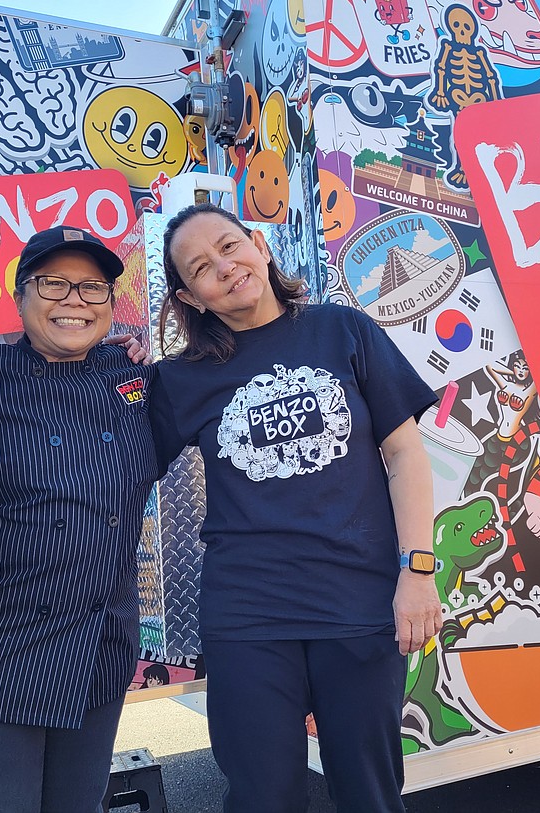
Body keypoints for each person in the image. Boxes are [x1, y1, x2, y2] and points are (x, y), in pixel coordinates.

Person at [150, 203, 443, 813]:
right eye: (202, 268)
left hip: (358, 605)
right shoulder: (181, 380)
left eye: (230, 247)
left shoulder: (343, 331)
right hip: (248, 614)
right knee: (264, 797)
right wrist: (110, 368)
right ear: (191, 298)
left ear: (259, 244)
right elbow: (122, 471)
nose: (225, 268)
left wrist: (418, 571)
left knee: (370, 793)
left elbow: (405, 454)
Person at [0, 227, 158, 813]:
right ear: (19, 295)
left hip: (98, 646)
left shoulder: (133, 378)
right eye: (55, 284)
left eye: (92, 288)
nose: (75, 301)